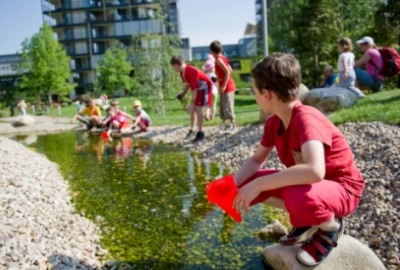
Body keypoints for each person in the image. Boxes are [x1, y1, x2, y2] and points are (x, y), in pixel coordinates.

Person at [231, 53, 364, 266]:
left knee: (293, 194)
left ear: (266, 94)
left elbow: (314, 171)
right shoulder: (274, 123)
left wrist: (257, 185)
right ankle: (309, 221)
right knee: (248, 182)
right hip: (311, 187)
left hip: (343, 189)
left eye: (254, 92)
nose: (255, 96)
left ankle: (330, 227)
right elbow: (256, 161)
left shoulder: (306, 118)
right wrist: (232, 186)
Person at [171, 55, 213, 141]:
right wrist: (183, 93)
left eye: (173, 67)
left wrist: (191, 103)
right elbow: (189, 83)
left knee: (196, 108)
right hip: (198, 88)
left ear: (175, 65)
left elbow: (195, 89)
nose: (173, 69)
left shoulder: (190, 71)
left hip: (205, 87)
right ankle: (192, 129)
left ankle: (201, 133)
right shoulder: (182, 72)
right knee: (193, 109)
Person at [209, 41, 237, 132]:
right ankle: (224, 124)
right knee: (223, 105)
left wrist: (224, 84)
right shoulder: (223, 58)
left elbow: (228, 72)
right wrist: (218, 78)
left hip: (226, 87)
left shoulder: (218, 60)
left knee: (228, 105)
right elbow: (231, 70)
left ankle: (233, 124)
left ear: (212, 51)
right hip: (225, 85)